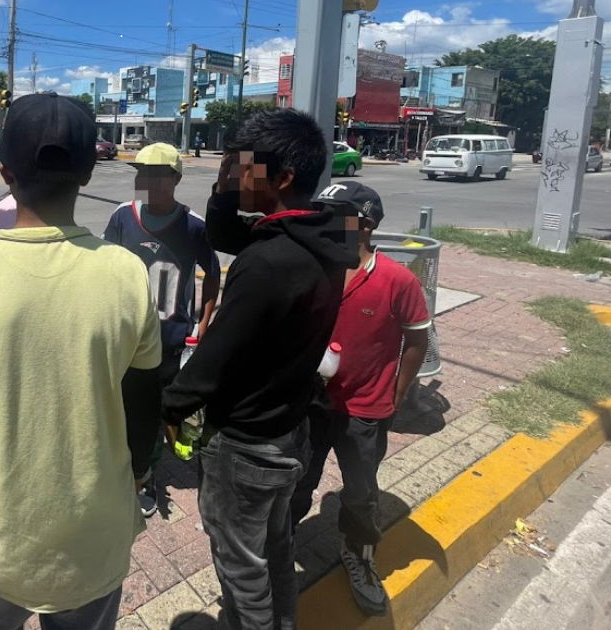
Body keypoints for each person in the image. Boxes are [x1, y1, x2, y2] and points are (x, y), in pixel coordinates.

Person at [0, 93, 162, 628]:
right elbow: (144, 403)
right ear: (86, 172)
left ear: (3, 172)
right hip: (95, 539)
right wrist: (138, 473)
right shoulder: (126, 273)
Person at [164, 109, 360, 630]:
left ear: (284, 177)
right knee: (275, 551)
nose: (231, 176)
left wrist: (171, 404)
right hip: (288, 425)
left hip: (245, 442)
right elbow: (230, 233)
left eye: (242, 168)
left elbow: (215, 358)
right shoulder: (327, 234)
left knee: (241, 569)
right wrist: (228, 181)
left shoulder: (270, 261)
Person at [289, 182, 430, 617]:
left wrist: (397, 391)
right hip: (312, 405)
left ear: (363, 225)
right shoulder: (317, 267)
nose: (320, 221)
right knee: (296, 479)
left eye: (332, 214)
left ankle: (359, 556)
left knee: (361, 493)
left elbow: (417, 339)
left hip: (365, 410)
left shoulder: (397, 280)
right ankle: (280, 541)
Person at [103, 142, 221, 517]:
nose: (148, 182)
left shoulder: (193, 226)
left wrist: (203, 322)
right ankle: (119, 468)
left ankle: (146, 472)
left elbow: (213, 274)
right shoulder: (123, 217)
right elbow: (103, 269)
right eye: (142, 174)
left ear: (175, 179)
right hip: (124, 335)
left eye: (157, 175)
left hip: (168, 339)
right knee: (118, 406)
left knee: (154, 412)